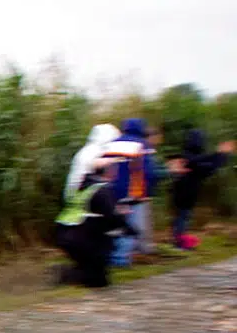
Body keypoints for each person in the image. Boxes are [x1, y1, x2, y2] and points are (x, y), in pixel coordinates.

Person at [55, 147, 126, 287]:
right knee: (99, 280)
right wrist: (125, 222)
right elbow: (112, 216)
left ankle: (70, 273)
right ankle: (67, 274)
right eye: (114, 168)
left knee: (92, 268)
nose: (116, 171)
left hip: (65, 233)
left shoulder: (82, 186)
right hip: (84, 239)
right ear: (108, 171)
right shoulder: (103, 190)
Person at [167, 129, 234, 249]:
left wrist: (221, 155)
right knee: (182, 218)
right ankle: (179, 244)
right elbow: (205, 166)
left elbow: (207, 166)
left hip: (183, 193)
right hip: (185, 194)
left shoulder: (188, 156)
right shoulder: (189, 158)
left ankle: (179, 242)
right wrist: (219, 154)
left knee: (182, 218)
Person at [107, 118, 160, 264]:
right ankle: (121, 258)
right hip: (133, 192)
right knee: (130, 226)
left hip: (110, 191)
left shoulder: (112, 143)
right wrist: (148, 191)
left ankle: (111, 254)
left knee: (115, 224)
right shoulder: (142, 144)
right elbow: (148, 172)